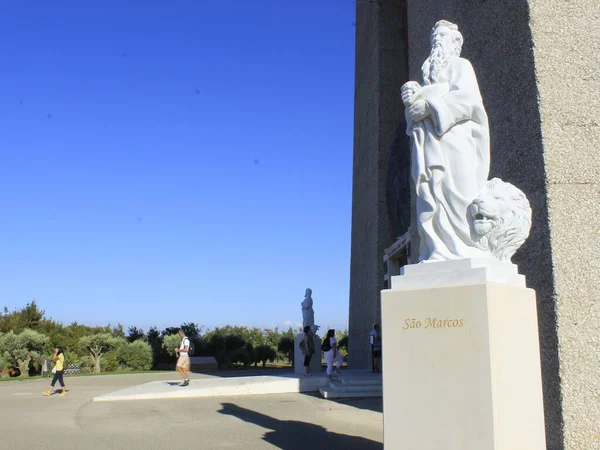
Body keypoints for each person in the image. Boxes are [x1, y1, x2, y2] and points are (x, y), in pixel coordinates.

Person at [401, 20, 491, 262]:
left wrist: (428, 105)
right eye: (434, 38)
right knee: (432, 194)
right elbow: (416, 116)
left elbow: (469, 100)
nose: (437, 41)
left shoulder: (461, 66)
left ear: (455, 42)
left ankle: (468, 248)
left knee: (460, 194)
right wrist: (413, 99)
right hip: (432, 145)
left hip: (456, 142)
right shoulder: (428, 80)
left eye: (442, 36)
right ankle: (437, 249)